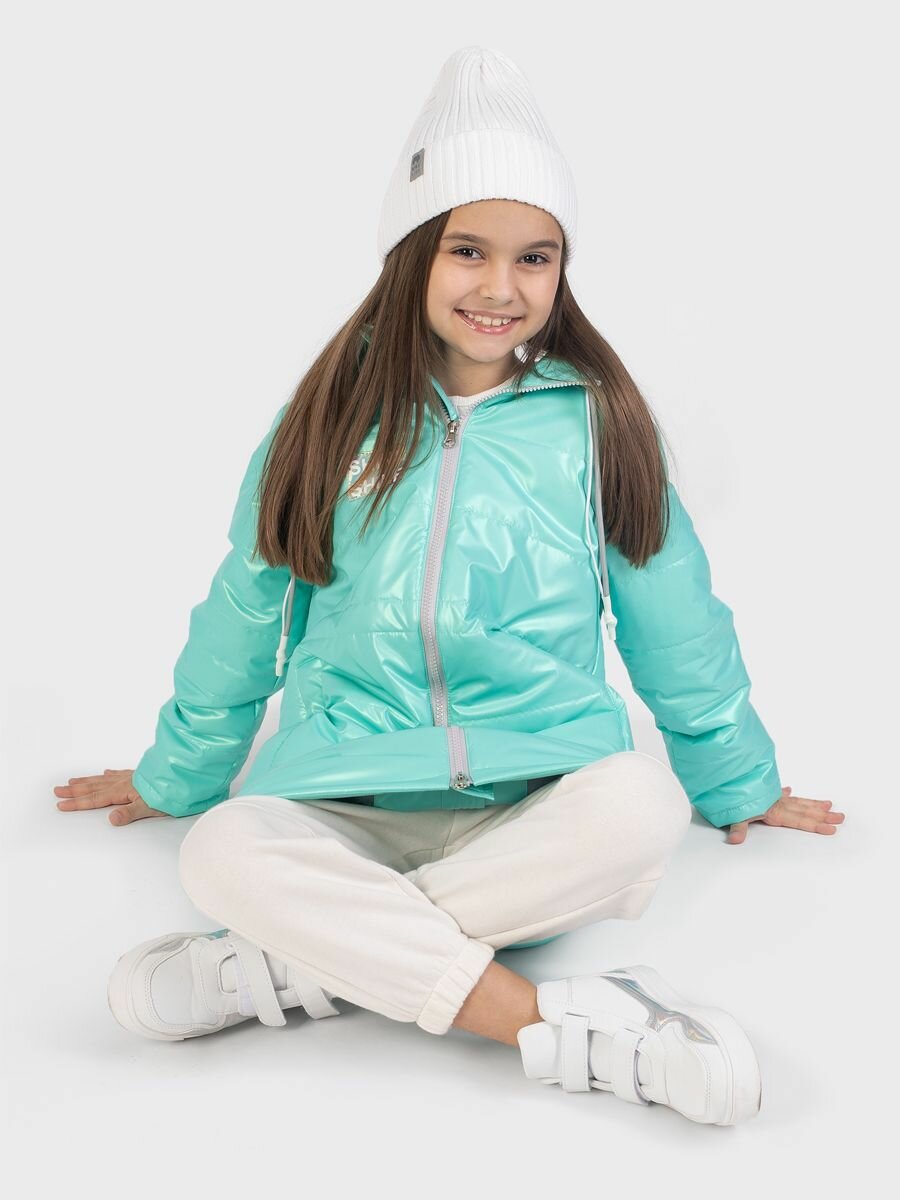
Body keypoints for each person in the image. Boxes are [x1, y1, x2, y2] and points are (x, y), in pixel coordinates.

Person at [55, 45, 844, 1125]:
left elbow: (675, 615)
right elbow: (247, 606)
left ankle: (288, 965)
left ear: (562, 272)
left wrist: (734, 780)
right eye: (467, 249)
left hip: (535, 794)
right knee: (220, 850)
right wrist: (179, 775)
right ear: (411, 253)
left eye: (535, 258)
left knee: (643, 805)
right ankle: (554, 1024)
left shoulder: (598, 424)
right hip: (347, 795)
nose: (500, 287)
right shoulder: (326, 421)